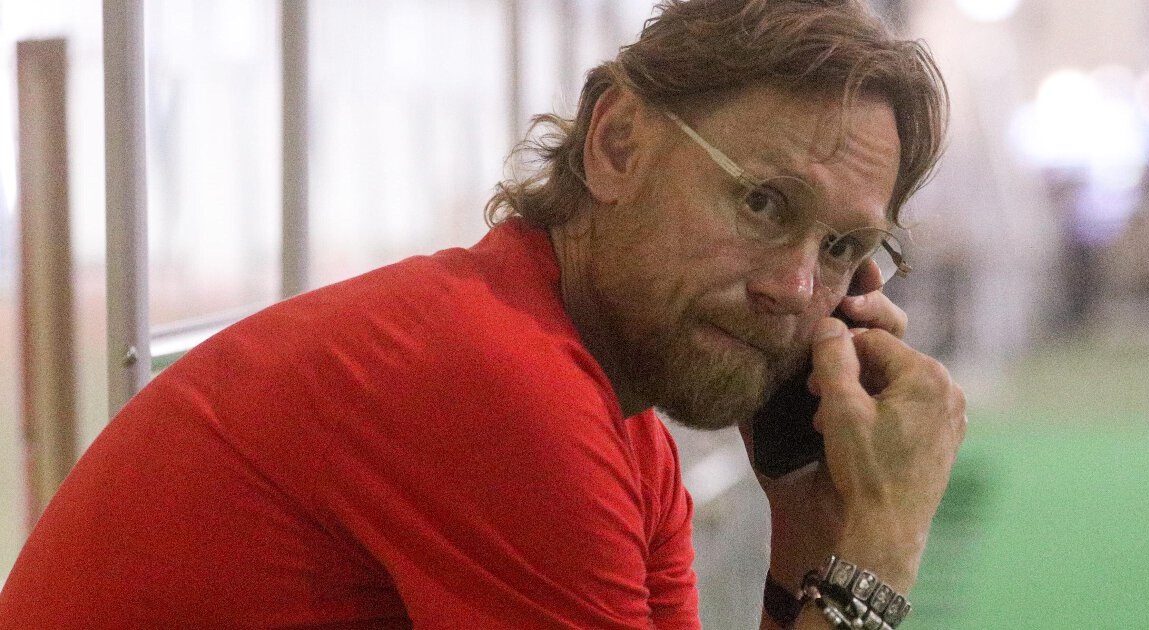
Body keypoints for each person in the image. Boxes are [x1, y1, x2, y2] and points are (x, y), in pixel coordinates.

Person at [0, 0, 965, 627]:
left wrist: (810, 519)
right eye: (762, 203)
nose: (795, 289)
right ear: (618, 145)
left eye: (841, 248)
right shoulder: (503, 387)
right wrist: (882, 548)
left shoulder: (619, 434)